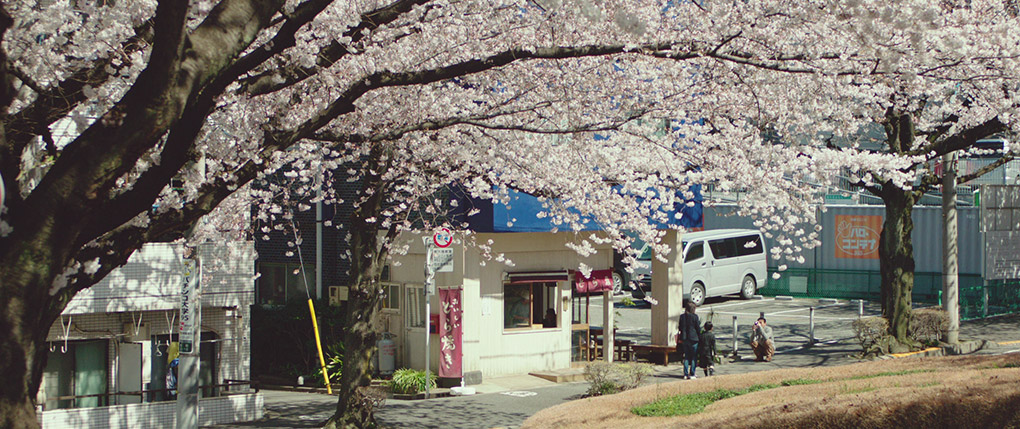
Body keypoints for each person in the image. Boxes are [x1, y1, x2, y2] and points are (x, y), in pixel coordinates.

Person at [676, 301, 700, 379]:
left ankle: (685, 374)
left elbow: (679, 327)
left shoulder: (682, 316)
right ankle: (692, 373)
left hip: (685, 338)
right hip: (693, 338)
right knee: (693, 356)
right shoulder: (695, 317)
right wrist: (699, 336)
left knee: (686, 356)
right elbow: (697, 328)